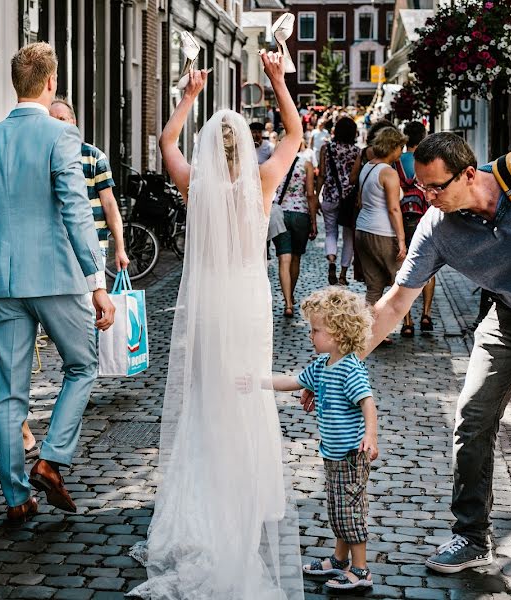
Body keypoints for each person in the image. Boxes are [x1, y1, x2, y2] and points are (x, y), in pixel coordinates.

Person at [303, 133, 511, 574]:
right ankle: (472, 536)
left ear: (470, 174)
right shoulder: (437, 228)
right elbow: (396, 303)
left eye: (438, 187)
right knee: (472, 418)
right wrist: (338, 364)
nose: (429, 198)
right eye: (421, 188)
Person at [127, 52, 305, 599]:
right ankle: (244, 490)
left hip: (207, 308)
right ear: (247, 151)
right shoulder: (263, 185)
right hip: (248, 305)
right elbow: (295, 134)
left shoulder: (195, 188)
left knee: (205, 399)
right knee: (246, 393)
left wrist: (187, 94)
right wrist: (278, 79)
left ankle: (201, 499)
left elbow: (165, 145)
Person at [0, 42, 116, 524]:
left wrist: (8, 244)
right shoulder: (61, 135)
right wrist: (97, 281)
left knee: (8, 390)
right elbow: (75, 210)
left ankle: (16, 497)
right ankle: (50, 458)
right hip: (59, 275)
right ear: (51, 84)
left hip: (6, 279)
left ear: (15, 84)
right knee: (82, 365)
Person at [272, 287, 378, 591]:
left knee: (350, 511)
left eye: (316, 330)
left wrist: (370, 435)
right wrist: (259, 381)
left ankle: (361, 570)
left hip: (350, 454)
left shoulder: (349, 368)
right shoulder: (322, 365)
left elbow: (368, 403)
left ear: (337, 334)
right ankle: (339, 559)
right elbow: (292, 381)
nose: (310, 335)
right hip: (332, 454)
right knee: (338, 508)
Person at [49, 97, 130, 273]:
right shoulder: (41, 158)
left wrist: (120, 248)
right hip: (56, 249)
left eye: (61, 119)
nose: (57, 125)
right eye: (52, 120)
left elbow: (109, 203)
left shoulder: (94, 157)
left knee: (92, 298)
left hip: (93, 246)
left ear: (73, 122)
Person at [354, 127, 408, 308]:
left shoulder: (368, 167)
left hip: (362, 229)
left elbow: (361, 201)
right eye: (401, 147)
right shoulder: (388, 173)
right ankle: (397, 324)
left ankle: (371, 331)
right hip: (382, 232)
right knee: (399, 283)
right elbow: (393, 209)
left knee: (374, 286)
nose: (402, 151)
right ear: (392, 147)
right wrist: (401, 240)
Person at [394, 121, 436, 337]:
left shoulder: (396, 162)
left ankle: (407, 322)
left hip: (403, 215)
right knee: (429, 266)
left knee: (404, 267)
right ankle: (426, 314)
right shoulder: (427, 161)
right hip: (426, 215)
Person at [271, 137, 318, 317]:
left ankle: (288, 303)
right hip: (300, 214)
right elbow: (310, 194)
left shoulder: (275, 164)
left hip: (279, 213)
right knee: (296, 258)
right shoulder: (306, 164)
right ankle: (291, 294)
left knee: (284, 258)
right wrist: (313, 221)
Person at [316, 117, 361, 286]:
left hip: (329, 196)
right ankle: (343, 274)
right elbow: (357, 178)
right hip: (348, 200)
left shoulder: (326, 148)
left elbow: (321, 174)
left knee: (330, 232)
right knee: (348, 236)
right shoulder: (357, 151)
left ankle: (331, 261)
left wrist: (316, 194)